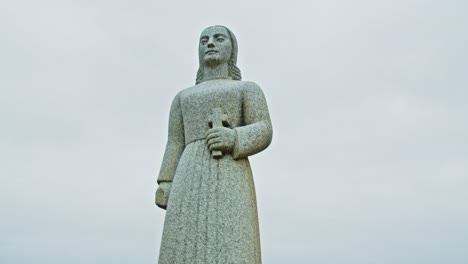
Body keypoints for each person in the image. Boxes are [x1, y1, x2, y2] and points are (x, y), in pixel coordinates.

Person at [155, 25, 273, 263]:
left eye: (218, 39)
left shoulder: (246, 89)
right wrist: (166, 181)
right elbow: (175, 141)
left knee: (233, 238)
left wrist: (235, 138)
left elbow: (264, 128)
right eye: (204, 40)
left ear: (232, 50)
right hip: (188, 173)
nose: (210, 43)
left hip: (230, 169)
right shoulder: (183, 97)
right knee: (182, 243)